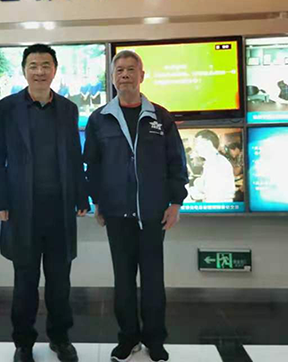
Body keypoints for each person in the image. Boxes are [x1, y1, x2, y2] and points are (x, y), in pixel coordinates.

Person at [83, 50, 188, 362]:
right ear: (112, 77)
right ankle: (128, 339)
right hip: (117, 214)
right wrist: (97, 201)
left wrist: (176, 202)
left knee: (153, 281)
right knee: (124, 282)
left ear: (142, 75)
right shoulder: (99, 118)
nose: (125, 75)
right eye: (119, 70)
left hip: (153, 214)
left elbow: (176, 162)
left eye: (131, 69)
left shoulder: (160, 117)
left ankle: (155, 340)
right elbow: (92, 165)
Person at [0, 44, 89, 362]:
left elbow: (74, 155)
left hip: (59, 210)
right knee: (25, 282)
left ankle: (60, 338)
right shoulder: (6, 108)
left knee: (60, 282)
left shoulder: (68, 109)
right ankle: (23, 343)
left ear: (55, 70)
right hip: (22, 210)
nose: (40, 71)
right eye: (33, 65)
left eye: (46, 65)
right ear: (24, 70)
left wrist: (81, 195)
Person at [189, 130, 236, 203]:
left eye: (197, 143)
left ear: (208, 143)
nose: (195, 148)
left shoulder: (217, 163)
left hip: (218, 206)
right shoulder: (212, 161)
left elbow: (212, 193)